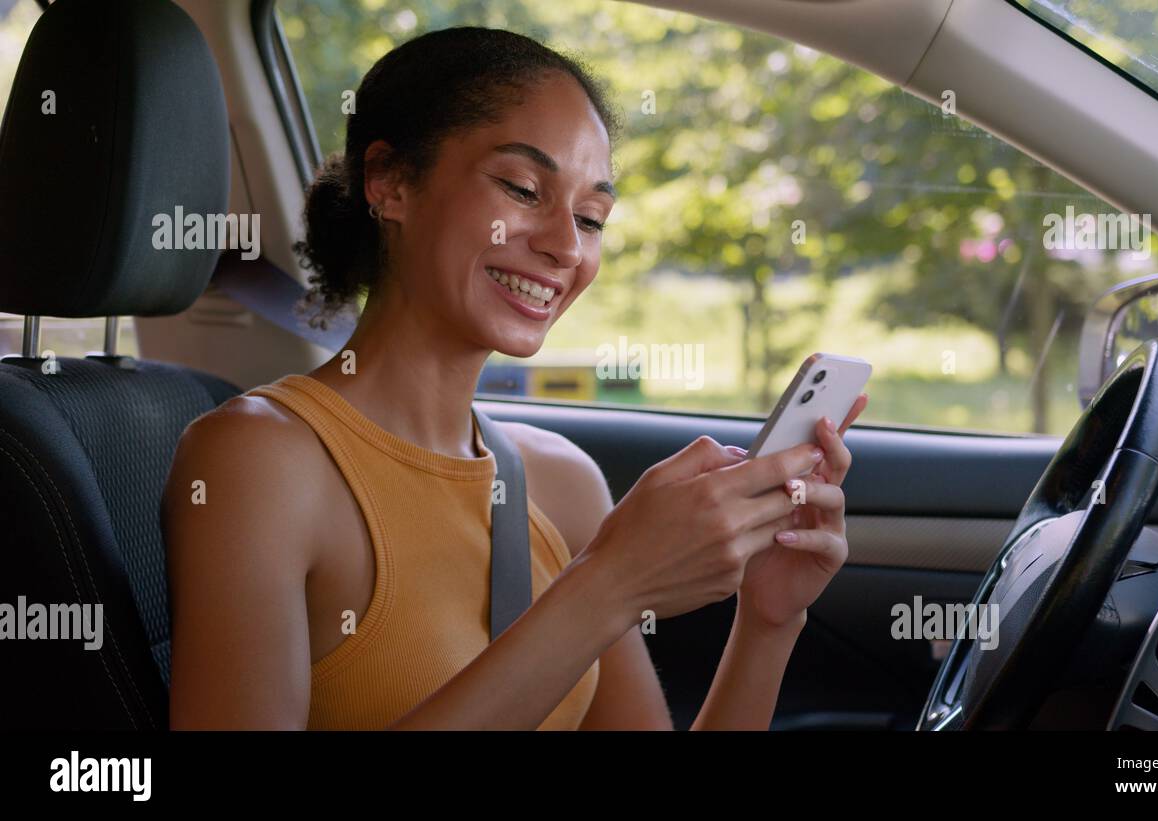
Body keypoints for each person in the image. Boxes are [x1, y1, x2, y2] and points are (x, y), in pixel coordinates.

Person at [163, 26, 866, 730]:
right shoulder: (257, 461)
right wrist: (608, 587)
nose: (566, 246)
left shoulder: (561, 481)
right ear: (390, 182)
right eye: (523, 188)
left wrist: (770, 621)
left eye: (591, 218)